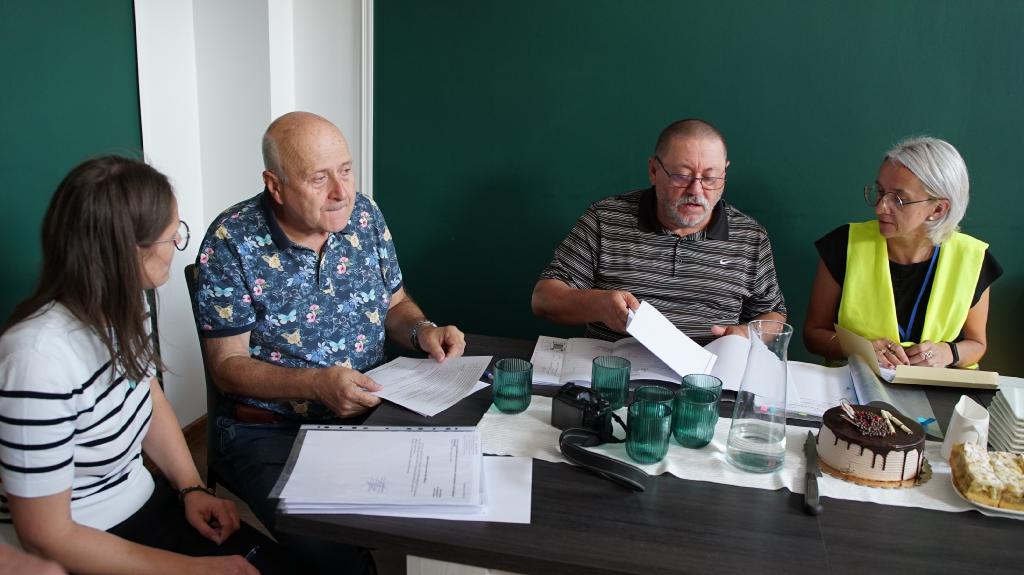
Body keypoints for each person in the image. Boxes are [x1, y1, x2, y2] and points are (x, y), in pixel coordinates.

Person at [193, 111, 465, 573]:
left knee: (449, 503)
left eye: (346, 170)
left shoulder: (365, 216)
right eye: (319, 179)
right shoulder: (230, 240)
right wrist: (315, 384)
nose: (342, 192)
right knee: (333, 555)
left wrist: (422, 330)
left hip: (375, 409)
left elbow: (395, 305)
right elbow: (227, 365)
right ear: (275, 186)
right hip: (269, 429)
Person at [0, 156, 289, 574]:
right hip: (77, 543)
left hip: (141, 500)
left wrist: (191, 488)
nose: (176, 245)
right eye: (173, 235)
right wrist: (190, 570)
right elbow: (47, 535)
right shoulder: (35, 360)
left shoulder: (128, 301)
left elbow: (145, 393)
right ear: (132, 252)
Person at [532, 118, 787, 344]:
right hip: (614, 373)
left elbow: (774, 314)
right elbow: (543, 299)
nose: (696, 190)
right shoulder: (605, 219)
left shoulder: (750, 237)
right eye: (681, 176)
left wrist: (746, 335)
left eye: (710, 178)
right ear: (654, 171)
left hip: (707, 377)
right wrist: (597, 304)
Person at [804, 136, 1002, 369]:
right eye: (880, 192)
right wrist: (860, 349)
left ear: (938, 209)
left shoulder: (972, 259)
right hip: (855, 384)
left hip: (938, 387)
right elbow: (813, 334)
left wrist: (948, 353)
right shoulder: (843, 244)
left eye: (899, 200)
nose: (880, 207)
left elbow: (977, 344)